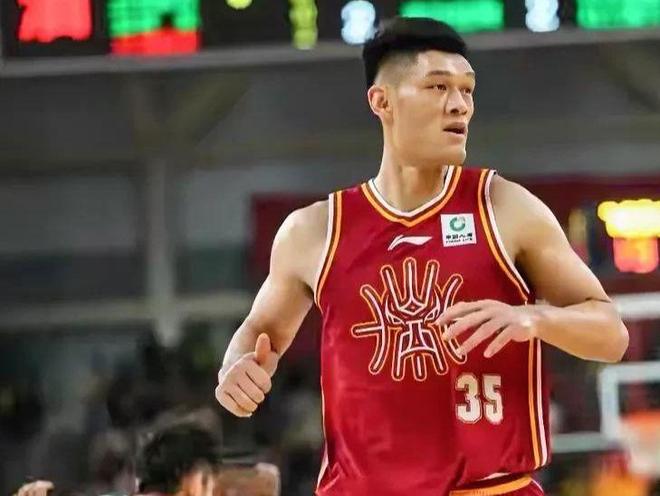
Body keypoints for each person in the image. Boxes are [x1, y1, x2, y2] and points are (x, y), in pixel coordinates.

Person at [215, 16, 629, 495]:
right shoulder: (315, 231)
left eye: (467, 90)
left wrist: (533, 319)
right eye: (437, 87)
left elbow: (612, 335)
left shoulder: (503, 206)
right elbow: (258, 334)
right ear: (382, 101)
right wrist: (235, 369)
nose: (460, 105)